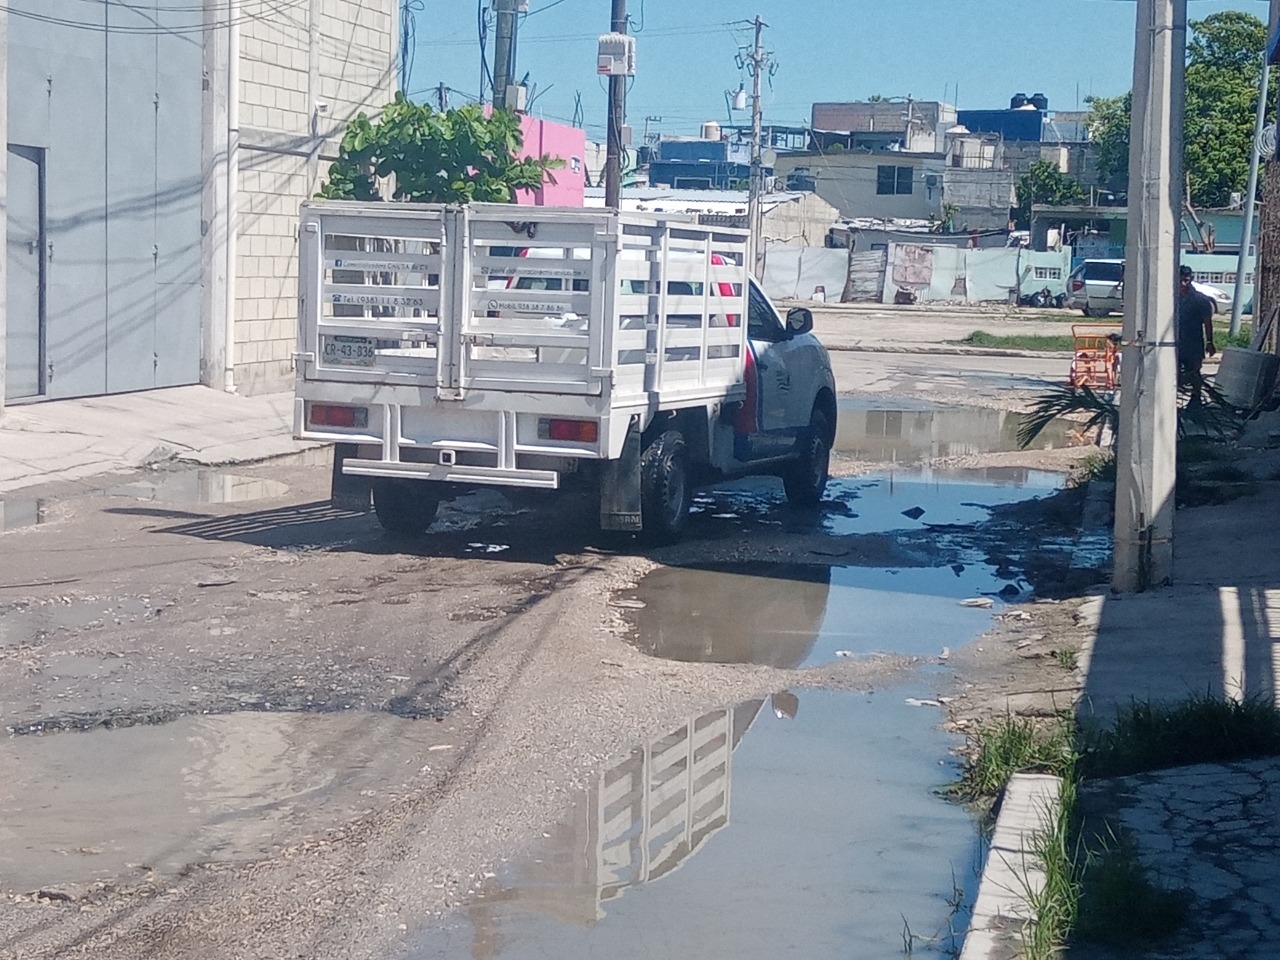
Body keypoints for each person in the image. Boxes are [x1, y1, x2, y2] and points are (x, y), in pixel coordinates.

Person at [1177, 265, 1216, 403]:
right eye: (1180, 280)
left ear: (1191, 279)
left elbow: (1207, 322)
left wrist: (1210, 342)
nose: (1183, 284)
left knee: (1194, 373)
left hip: (1194, 344)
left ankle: (1196, 400)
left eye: (1186, 280)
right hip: (1174, 343)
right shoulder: (1171, 299)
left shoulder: (1200, 300)